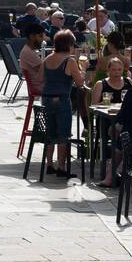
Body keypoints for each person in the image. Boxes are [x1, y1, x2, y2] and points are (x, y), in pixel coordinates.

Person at [41, 30, 87, 177]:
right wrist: (84, 69)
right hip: (62, 99)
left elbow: (41, 78)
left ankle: (49, 164)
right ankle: (61, 166)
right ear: (69, 45)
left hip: (46, 99)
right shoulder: (70, 60)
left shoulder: (47, 59)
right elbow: (80, 83)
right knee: (63, 134)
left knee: (50, 133)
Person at [18, 22, 46, 96]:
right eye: (40, 36)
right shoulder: (29, 52)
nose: (43, 39)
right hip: (41, 87)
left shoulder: (28, 50)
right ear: (32, 36)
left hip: (40, 84)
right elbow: (45, 71)